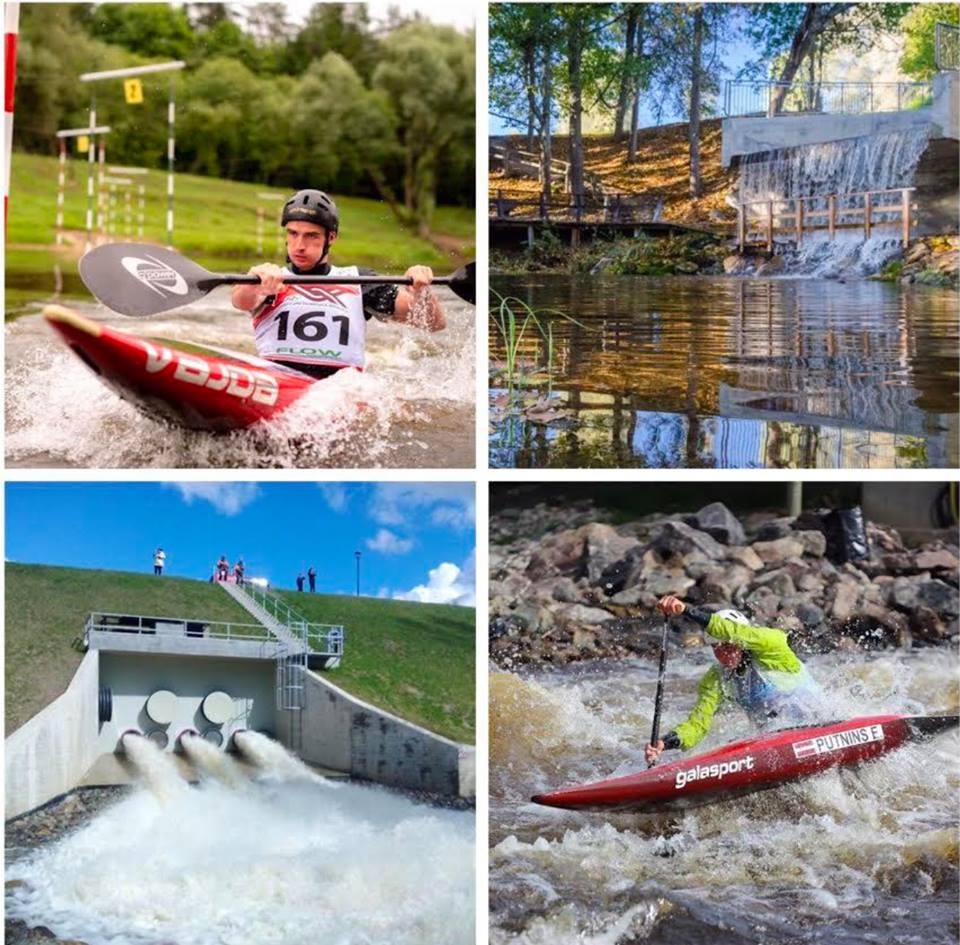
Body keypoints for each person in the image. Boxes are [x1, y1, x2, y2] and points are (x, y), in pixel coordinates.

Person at [231, 189, 445, 379]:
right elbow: (241, 300)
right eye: (293, 233)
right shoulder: (269, 278)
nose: (299, 245)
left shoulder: (360, 281)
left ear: (331, 238)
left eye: (311, 236)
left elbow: (434, 323)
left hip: (339, 389)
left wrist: (421, 291)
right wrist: (254, 279)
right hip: (279, 382)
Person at [645, 595, 825, 764]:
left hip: (820, 724)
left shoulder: (772, 646)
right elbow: (698, 725)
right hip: (774, 740)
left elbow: (735, 632)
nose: (722, 651)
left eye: (727, 644)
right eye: (715, 645)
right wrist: (665, 743)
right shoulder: (715, 679)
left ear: (741, 640)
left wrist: (686, 610)